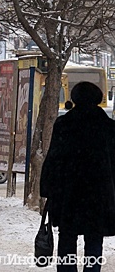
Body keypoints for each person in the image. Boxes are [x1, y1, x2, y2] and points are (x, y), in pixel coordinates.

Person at [41, 81, 115, 271]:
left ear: (74, 98)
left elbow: (53, 159)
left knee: (66, 237)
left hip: (68, 194)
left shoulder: (64, 124)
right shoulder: (108, 127)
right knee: (94, 239)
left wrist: (48, 188)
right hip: (98, 195)